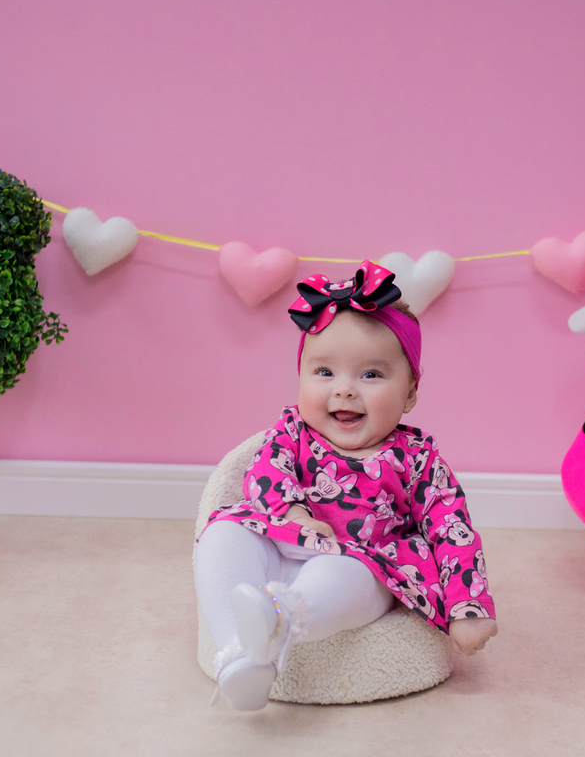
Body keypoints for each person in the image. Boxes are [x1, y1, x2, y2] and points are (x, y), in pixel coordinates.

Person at [195, 260, 497, 710]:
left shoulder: (417, 459)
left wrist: (468, 607)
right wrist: (294, 514)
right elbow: (265, 475)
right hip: (282, 544)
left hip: (358, 564)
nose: (345, 390)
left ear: (410, 393)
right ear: (300, 379)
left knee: (348, 575)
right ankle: (237, 655)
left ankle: (283, 618)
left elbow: (451, 529)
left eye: (371, 375)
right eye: (324, 373)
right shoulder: (291, 433)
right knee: (221, 533)